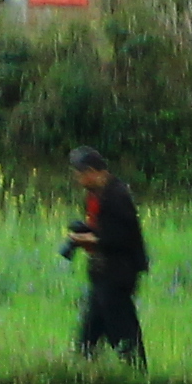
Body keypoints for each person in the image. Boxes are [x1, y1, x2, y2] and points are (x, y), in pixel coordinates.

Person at [63, 143, 148, 361]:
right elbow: (102, 229)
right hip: (102, 274)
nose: (78, 180)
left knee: (123, 331)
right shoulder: (96, 195)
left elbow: (122, 237)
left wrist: (87, 238)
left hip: (118, 273)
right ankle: (85, 370)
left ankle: (137, 375)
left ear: (91, 172)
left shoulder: (117, 195)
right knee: (89, 333)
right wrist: (86, 233)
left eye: (79, 174)